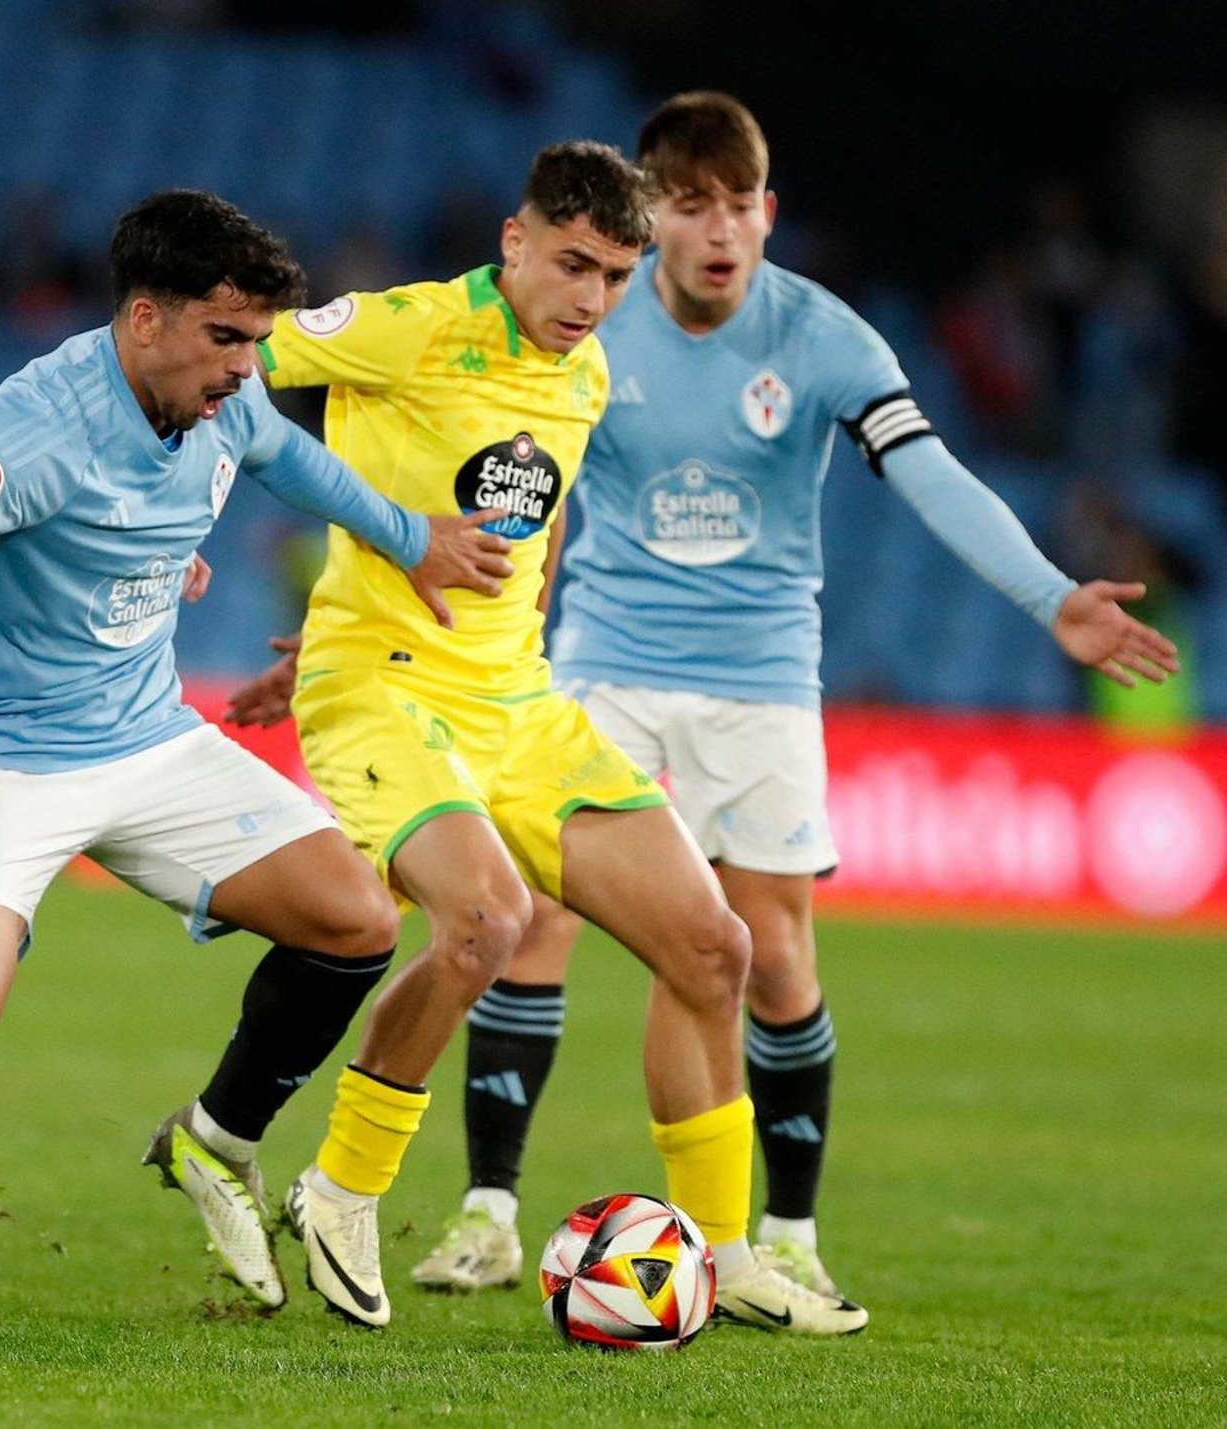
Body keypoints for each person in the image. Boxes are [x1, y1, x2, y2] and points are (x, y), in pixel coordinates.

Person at [398, 93, 1177, 1306]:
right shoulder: (586, 327)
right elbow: (501, 486)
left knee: (761, 958)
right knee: (533, 924)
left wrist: (1049, 596)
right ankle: (488, 1212)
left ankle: (785, 1240)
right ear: (651, 217)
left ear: (770, 212)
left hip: (760, 680)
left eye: (739, 206)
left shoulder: (825, 340)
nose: (719, 231)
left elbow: (933, 476)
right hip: (605, 663)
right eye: (691, 205)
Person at [0, 189, 513, 1325]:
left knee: (356, 918)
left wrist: (413, 541)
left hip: (148, 740)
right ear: (144, 319)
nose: (247, 367)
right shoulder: (41, 426)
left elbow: (297, 463)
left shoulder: (221, 405)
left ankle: (216, 1140)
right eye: (224, 337)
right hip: (3, 752)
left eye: (256, 340)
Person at [195, 139, 870, 1335]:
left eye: (617, 274)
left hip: (518, 705)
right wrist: (375, 541)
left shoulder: (584, 374)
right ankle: (342, 1188)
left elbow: (533, 539)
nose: (591, 300)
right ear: (515, 240)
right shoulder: (404, 327)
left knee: (716, 949)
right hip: (383, 693)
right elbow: (218, 364)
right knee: (486, 922)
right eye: (572, 266)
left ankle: (720, 1250)